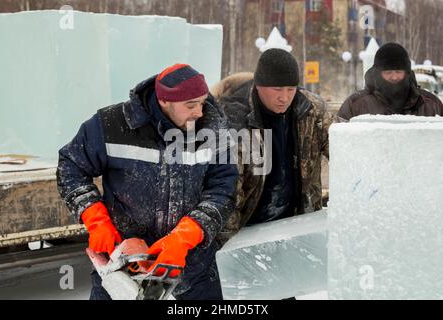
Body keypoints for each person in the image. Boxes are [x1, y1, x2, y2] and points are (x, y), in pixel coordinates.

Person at [56, 63, 238, 300]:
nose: (199, 112)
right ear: (164, 101)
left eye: (202, 103)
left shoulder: (214, 130)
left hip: (193, 274)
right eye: (190, 105)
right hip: (123, 269)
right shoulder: (111, 125)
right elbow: (71, 166)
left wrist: (188, 234)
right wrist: (96, 220)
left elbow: (224, 188)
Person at [211, 48, 336, 246]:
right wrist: (229, 250)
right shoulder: (234, 121)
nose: (284, 97)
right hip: (248, 231)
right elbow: (227, 192)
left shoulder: (310, 110)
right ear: (258, 86)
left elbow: (345, 149)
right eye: (277, 90)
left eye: (291, 89)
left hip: (298, 225)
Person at [338, 42, 443, 120]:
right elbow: (340, 142)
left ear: (407, 72)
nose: (394, 77)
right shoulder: (355, 105)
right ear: (378, 74)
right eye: (388, 72)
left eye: (398, 71)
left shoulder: (431, 105)